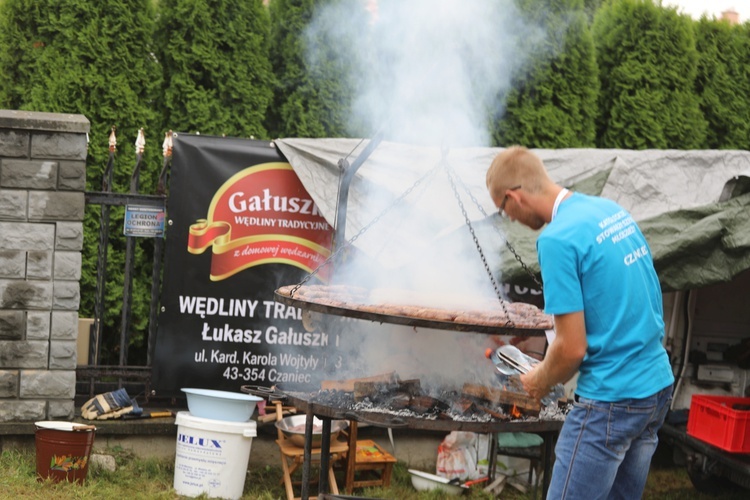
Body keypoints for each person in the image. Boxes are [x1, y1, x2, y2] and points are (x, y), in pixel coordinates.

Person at [486, 146, 674, 499]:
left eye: (503, 209)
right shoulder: (610, 211)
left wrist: (539, 380)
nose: (508, 217)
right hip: (656, 388)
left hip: (611, 400)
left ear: (514, 196)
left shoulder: (557, 240)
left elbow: (571, 349)